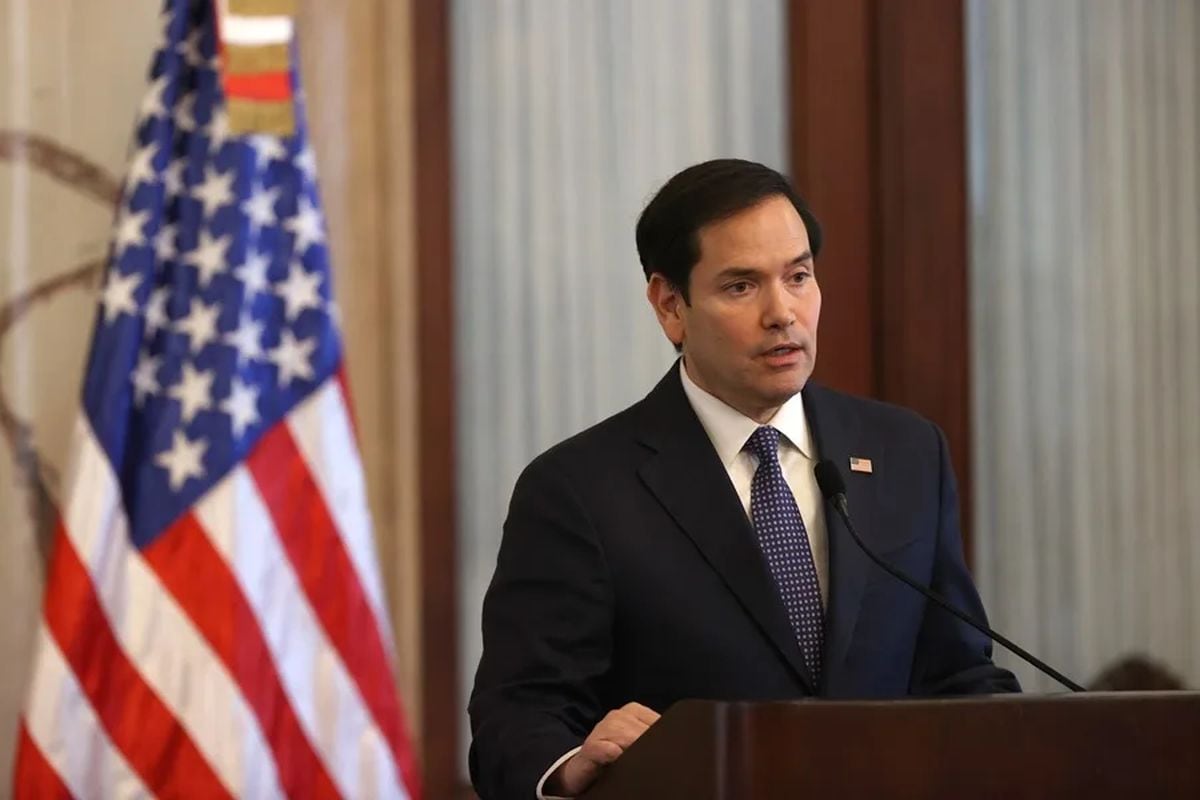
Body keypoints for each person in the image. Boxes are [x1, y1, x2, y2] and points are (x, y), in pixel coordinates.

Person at [468, 158, 1019, 800]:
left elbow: (958, 675)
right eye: (740, 287)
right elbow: (517, 715)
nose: (782, 313)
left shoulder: (905, 452)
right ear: (671, 306)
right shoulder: (578, 490)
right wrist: (571, 763)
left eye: (799, 276)